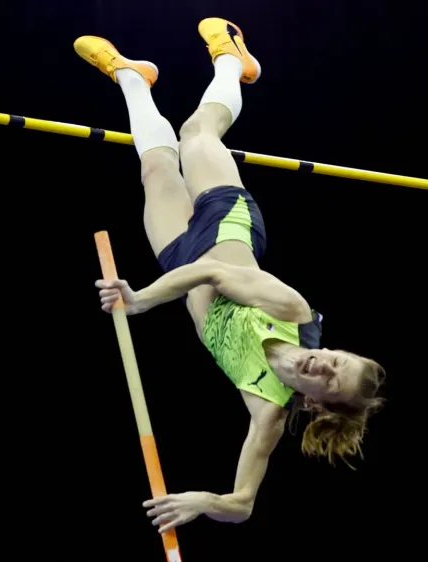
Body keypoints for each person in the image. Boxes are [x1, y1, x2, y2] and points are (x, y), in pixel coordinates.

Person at [78, 18, 385, 533]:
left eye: (330, 376)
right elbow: (214, 273)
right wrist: (139, 301)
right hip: (226, 228)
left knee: (155, 167)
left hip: (180, 263)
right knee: (195, 132)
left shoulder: (267, 412)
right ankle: (232, 62)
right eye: (337, 357)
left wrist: (203, 499)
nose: (323, 360)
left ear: (317, 402)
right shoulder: (293, 312)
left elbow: (243, 503)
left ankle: (132, 76)